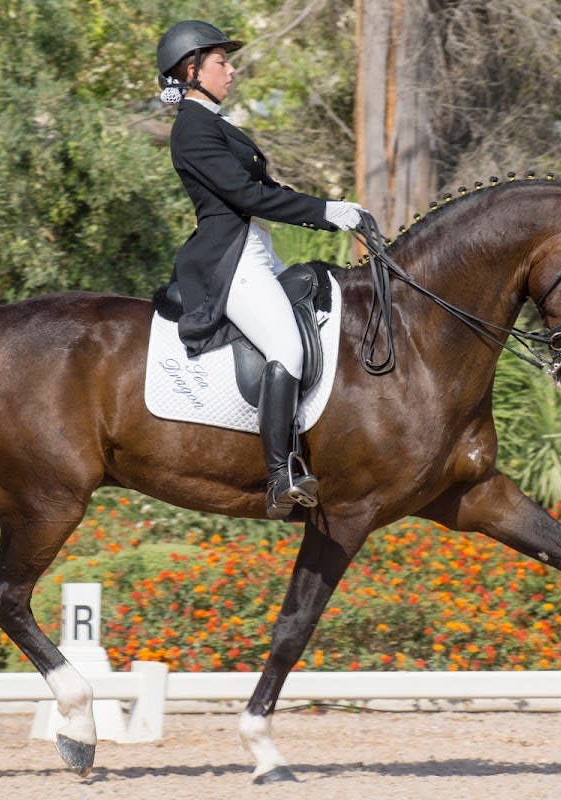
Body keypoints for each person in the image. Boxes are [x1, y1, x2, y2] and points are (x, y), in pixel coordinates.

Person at [156, 20, 367, 520]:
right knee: (286, 346)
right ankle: (280, 475)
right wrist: (325, 212)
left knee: (325, 312)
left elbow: (266, 190)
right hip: (227, 259)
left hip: (254, 246)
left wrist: (331, 211)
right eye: (221, 62)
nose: (231, 70)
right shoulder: (193, 128)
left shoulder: (217, 123)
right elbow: (246, 195)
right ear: (192, 70)